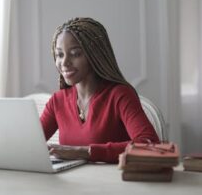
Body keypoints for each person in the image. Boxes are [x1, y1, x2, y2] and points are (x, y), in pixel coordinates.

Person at [40, 17, 159, 164]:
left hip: (112, 184)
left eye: (75, 54)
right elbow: (28, 145)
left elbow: (150, 145)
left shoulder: (120, 95)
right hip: (70, 183)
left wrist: (84, 152)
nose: (64, 63)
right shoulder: (57, 101)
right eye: (59, 54)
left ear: (94, 54)